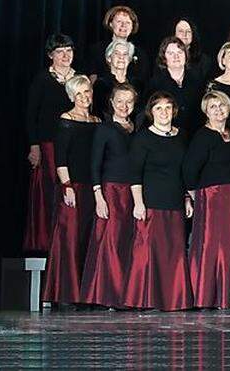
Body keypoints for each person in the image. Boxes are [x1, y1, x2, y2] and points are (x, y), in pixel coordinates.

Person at [124, 92, 193, 311]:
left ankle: (174, 299)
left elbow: (184, 172)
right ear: (151, 113)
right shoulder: (143, 138)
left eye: (167, 108)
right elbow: (134, 174)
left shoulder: (181, 136)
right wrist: (138, 203)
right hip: (151, 203)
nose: (164, 113)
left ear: (174, 111)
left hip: (174, 202)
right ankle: (144, 299)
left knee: (174, 252)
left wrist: (186, 199)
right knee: (148, 251)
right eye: (158, 109)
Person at [42, 76, 102, 307]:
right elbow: (61, 157)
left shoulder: (98, 120)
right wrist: (66, 186)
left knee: (89, 237)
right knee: (70, 238)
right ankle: (67, 293)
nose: (84, 97)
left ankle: (86, 293)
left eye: (87, 92)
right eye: (79, 94)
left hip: (93, 187)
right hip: (73, 186)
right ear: (71, 97)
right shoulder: (66, 120)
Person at [80, 83, 138, 307]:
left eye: (129, 101)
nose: (124, 106)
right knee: (111, 241)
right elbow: (94, 164)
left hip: (132, 191)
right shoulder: (104, 128)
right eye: (120, 101)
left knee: (128, 241)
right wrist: (99, 196)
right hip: (111, 191)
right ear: (112, 102)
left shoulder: (137, 128)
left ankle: (127, 294)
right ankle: (109, 295)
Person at [182, 90, 230, 309]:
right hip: (212, 196)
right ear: (206, 112)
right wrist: (194, 194)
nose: (218, 110)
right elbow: (189, 169)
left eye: (222, 105)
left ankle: (226, 296)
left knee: (229, 246)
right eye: (213, 107)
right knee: (210, 245)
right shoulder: (203, 136)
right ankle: (206, 296)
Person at [25, 34, 79, 252]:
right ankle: (47, 241)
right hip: (49, 146)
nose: (65, 55)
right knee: (49, 192)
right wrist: (34, 145)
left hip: (74, 147)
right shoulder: (42, 80)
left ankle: (68, 240)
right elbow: (31, 115)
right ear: (51, 55)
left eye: (69, 50)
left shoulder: (79, 80)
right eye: (60, 51)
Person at [144, 37, 204, 132]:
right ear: (164, 58)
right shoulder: (155, 83)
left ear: (185, 55)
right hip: (167, 135)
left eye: (180, 52)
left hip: (195, 134)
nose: (176, 57)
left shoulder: (197, 80)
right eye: (171, 53)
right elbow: (149, 115)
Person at [85, 5, 143, 78]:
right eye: (119, 21)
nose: (123, 25)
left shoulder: (140, 54)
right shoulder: (96, 50)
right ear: (111, 24)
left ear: (132, 27)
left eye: (128, 22)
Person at [93, 40, 141, 116]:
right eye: (117, 53)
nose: (121, 57)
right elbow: (99, 112)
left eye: (125, 54)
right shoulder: (101, 84)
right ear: (109, 58)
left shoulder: (137, 83)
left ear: (129, 59)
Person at [171, 17, 213, 81]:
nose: (184, 34)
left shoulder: (204, 60)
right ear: (174, 34)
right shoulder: (165, 57)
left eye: (188, 31)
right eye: (181, 31)